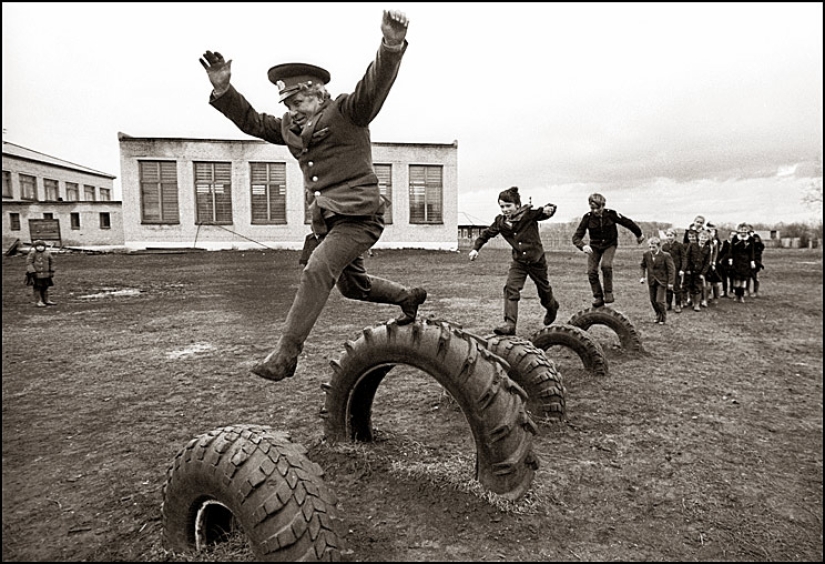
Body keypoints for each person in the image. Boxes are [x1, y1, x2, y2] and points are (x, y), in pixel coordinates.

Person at [200, 9, 426, 382]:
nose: (293, 111)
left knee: (318, 267)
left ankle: (286, 355)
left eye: (298, 102)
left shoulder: (348, 111)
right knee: (354, 287)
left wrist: (391, 44)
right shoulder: (291, 127)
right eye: (287, 105)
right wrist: (224, 89)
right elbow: (253, 121)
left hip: (360, 217)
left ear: (317, 93)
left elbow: (375, 84)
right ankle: (408, 297)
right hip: (328, 222)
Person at [468, 187, 560, 335]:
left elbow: (543, 213)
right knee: (510, 288)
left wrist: (550, 209)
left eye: (508, 206)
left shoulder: (528, 215)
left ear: (517, 205)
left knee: (544, 291)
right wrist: (475, 249)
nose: (505, 209)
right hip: (519, 262)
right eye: (502, 206)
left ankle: (552, 307)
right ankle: (509, 324)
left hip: (536, 261)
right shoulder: (500, 222)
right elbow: (486, 234)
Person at [571, 193, 645, 308]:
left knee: (606, 265)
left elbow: (627, 222)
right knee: (591, 271)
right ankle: (598, 296)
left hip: (609, 245)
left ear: (603, 205)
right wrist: (583, 246)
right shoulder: (587, 217)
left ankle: (608, 293)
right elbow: (576, 237)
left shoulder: (611, 214)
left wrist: (639, 234)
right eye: (592, 208)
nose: (595, 211)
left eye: (598, 208)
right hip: (595, 247)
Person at [639, 237, 675, 324]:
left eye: (654, 247)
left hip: (662, 281)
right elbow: (643, 266)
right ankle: (658, 314)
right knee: (653, 300)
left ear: (658, 246)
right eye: (650, 247)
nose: (651, 249)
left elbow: (671, 269)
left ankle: (663, 317)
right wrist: (642, 276)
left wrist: (670, 282)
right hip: (651, 280)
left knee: (659, 300)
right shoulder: (646, 255)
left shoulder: (666, 256)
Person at [683, 228, 710, 312]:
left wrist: (703, 273)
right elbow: (686, 257)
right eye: (702, 237)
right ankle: (686, 301)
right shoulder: (692, 245)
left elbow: (707, 262)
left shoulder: (707, 248)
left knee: (698, 287)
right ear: (699, 237)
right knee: (688, 285)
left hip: (699, 271)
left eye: (705, 238)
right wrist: (686, 268)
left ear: (707, 239)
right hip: (690, 270)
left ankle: (697, 304)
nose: (703, 239)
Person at [728, 222, 756, 303]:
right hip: (737, 261)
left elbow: (752, 251)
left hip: (746, 261)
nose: (743, 231)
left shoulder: (751, 239)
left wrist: (752, 261)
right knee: (737, 279)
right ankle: (737, 295)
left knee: (743, 280)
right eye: (741, 230)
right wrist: (730, 258)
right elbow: (731, 249)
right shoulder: (735, 238)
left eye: (745, 230)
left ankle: (741, 296)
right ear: (739, 230)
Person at [661, 228, 685, 313]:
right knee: (668, 287)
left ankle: (678, 304)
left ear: (675, 236)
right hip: (668, 270)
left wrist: (682, 269)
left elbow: (684, 258)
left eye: (671, 235)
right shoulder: (664, 246)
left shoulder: (679, 246)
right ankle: (668, 303)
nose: (669, 237)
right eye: (668, 235)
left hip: (677, 270)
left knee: (677, 287)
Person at [26, 240, 56, 307]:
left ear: (44, 247)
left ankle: (46, 300)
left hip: (46, 274)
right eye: (38, 246)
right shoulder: (32, 254)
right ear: (35, 247)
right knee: (37, 288)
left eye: (42, 246)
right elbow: (29, 263)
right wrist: (32, 271)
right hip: (36, 275)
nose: (40, 247)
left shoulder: (48, 253)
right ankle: (38, 301)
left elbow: (52, 262)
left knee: (45, 287)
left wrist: (52, 270)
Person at [748, 228, 765, 297]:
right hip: (748, 262)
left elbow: (759, 251)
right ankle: (747, 290)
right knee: (747, 277)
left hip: (756, 262)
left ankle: (755, 291)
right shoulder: (748, 241)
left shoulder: (757, 243)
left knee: (755, 277)